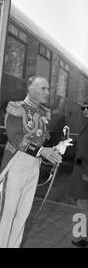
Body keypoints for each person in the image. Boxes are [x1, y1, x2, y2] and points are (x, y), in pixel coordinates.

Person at [0, 76, 63, 248]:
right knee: (8, 213)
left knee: (23, 214)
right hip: (16, 163)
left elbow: (41, 140)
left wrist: (55, 150)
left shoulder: (42, 112)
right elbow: (16, 139)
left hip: (34, 165)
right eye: (43, 89)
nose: (47, 92)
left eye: (48, 89)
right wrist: (41, 151)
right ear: (31, 89)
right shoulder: (16, 108)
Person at [68, 99, 88, 247]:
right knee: (82, 205)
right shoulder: (86, 125)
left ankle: (81, 237)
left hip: (85, 172)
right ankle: (80, 237)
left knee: (83, 205)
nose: (85, 111)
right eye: (83, 108)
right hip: (82, 172)